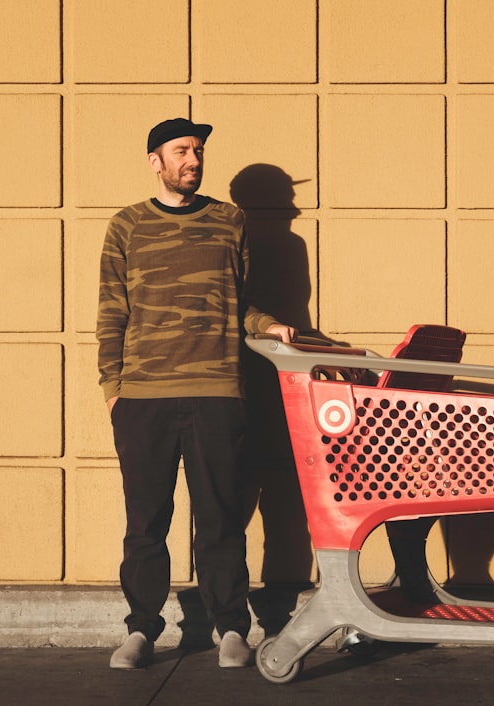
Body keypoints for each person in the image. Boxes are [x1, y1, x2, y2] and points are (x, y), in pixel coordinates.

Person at [97, 117, 297, 670]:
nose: (194, 158)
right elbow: (112, 312)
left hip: (216, 391)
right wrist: (113, 388)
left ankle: (231, 628)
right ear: (154, 160)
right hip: (144, 398)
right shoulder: (127, 226)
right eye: (182, 150)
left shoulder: (229, 221)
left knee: (220, 517)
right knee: (145, 523)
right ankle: (141, 630)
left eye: (199, 150)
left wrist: (266, 325)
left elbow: (242, 301)